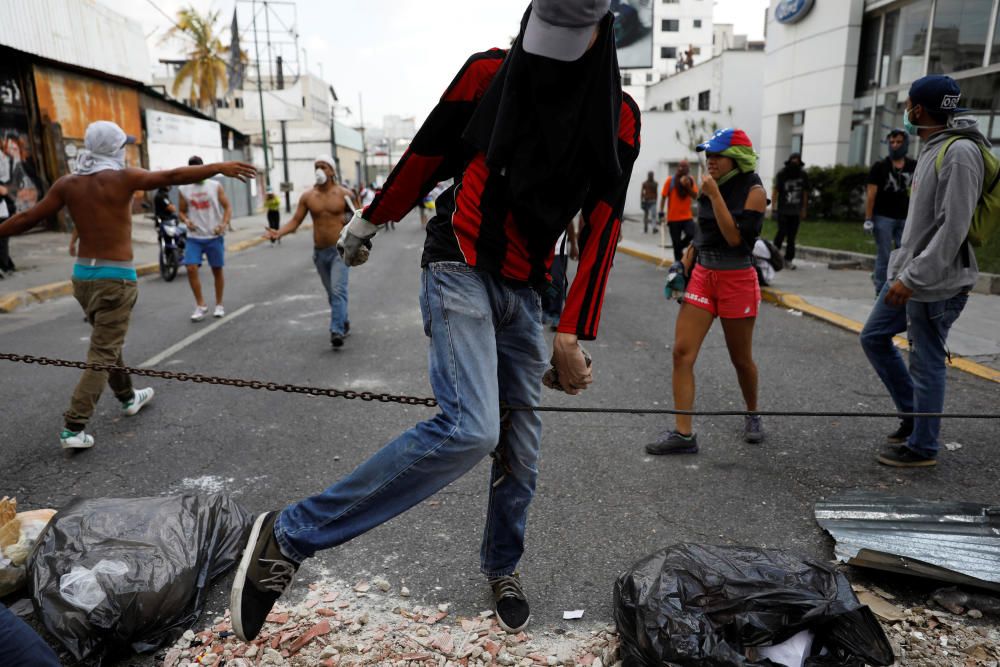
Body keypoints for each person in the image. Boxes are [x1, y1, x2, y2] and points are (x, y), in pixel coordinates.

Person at [229, 0, 639, 642]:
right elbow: (426, 157)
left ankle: (502, 567)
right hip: (460, 258)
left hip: (526, 289)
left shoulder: (620, 118)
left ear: (600, 39)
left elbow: (605, 227)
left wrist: (569, 334)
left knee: (520, 452)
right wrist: (367, 222)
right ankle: (289, 536)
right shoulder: (488, 75)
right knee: (473, 429)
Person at [0, 120, 255, 449]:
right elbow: (172, 177)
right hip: (115, 279)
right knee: (103, 351)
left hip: (83, 278)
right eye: (121, 144)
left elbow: (27, 218)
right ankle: (74, 426)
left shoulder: (67, 184)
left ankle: (128, 396)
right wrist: (219, 167)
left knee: (107, 343)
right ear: (113, 148)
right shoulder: (124, 178)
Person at [859, 75, 987, 468]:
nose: (906, 110)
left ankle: (923, 446)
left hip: (936, 282)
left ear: (919, 109)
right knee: (874, 336)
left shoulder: (960, 153)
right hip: (910, 275)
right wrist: (901, 272)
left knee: (927, 360)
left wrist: (912, 278)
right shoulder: (933, 147)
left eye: (910, 103)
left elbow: (954, 227)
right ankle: (914, 416)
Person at [645, 128, 766, 455]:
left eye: (717, 155)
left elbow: (736, 240)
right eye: (708, 155)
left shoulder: (753, 190)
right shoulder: (710, 187)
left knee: (741, 360)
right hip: (703, 275)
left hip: (736, 279)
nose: (710, 161)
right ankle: (684, 434)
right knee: (681, 353)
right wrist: (682, 265)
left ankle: (753, 413)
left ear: (736, 158)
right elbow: (703, 234)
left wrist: (714, 196)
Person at [265, 156, 356, 348]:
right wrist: (279, 232)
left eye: (323, 166)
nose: (319, 170)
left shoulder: (344, 194)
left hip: (341, 250)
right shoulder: (308, 197)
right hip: (320, 253)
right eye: (316, 166)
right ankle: (343, 320)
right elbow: (296, 221)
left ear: (331, 170)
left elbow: (358, 218)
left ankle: (336, 330)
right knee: (332, 293)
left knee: (338, 290)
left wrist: (358, 240)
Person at [179, 156, 233, 321]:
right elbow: (181, 211)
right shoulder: (184, 189)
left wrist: (223, 224)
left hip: (213, 235)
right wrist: (186, 221)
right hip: (194, 236)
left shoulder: (215, 186)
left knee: (217, 269)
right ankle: (201, 305)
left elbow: (227, 207)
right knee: (191, 268)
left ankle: (219, 304)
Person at [864, 129, 916, 296]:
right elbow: (871, 194)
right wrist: (868, 218)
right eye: (892, 142)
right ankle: (880, 289)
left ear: (905, 144)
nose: (895, 146)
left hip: (906, 217)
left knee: (905, 255)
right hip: (883, 217)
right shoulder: (880, 167)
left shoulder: (913, 166)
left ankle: (900, 287)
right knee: (884, 255)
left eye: (898, 142)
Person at [541, 216, 580, 330]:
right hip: (542, 250)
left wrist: (573, 245)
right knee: (544, 281)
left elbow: (569, 223)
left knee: (557, 281)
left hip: (559, 250)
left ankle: (555, 314)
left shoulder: (563, 202)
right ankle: (546, 307)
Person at [771, 152, 808, 269]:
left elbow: (805, 193)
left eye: (797, 161)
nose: (795, 164)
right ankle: (772, 256)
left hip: (795, 211)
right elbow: (775, 191)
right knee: (781, 233)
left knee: (792, 237)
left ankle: (788, 259)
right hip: (783, 209)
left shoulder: (803, 175)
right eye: (793, 161)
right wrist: (773, 207)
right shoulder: (782, 174)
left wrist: (804, 208)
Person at [659, 159, 698, 262]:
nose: (681, 168)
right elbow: (663, 197)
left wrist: (688, 187)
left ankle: (679, 248)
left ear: (688, 169)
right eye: (680, 166)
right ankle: (679, 266)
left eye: (684, 167)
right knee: (676, 243)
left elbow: (695, 196)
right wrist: (661, 213)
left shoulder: (690, 180)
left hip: (687, 217)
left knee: (692, 233)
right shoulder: (670, 180)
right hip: (673, 218)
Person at [0, 182, 14, 276]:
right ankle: (7, 265)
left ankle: (5, 266)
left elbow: (4, 193)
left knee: (2, 243)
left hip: (2, 216)